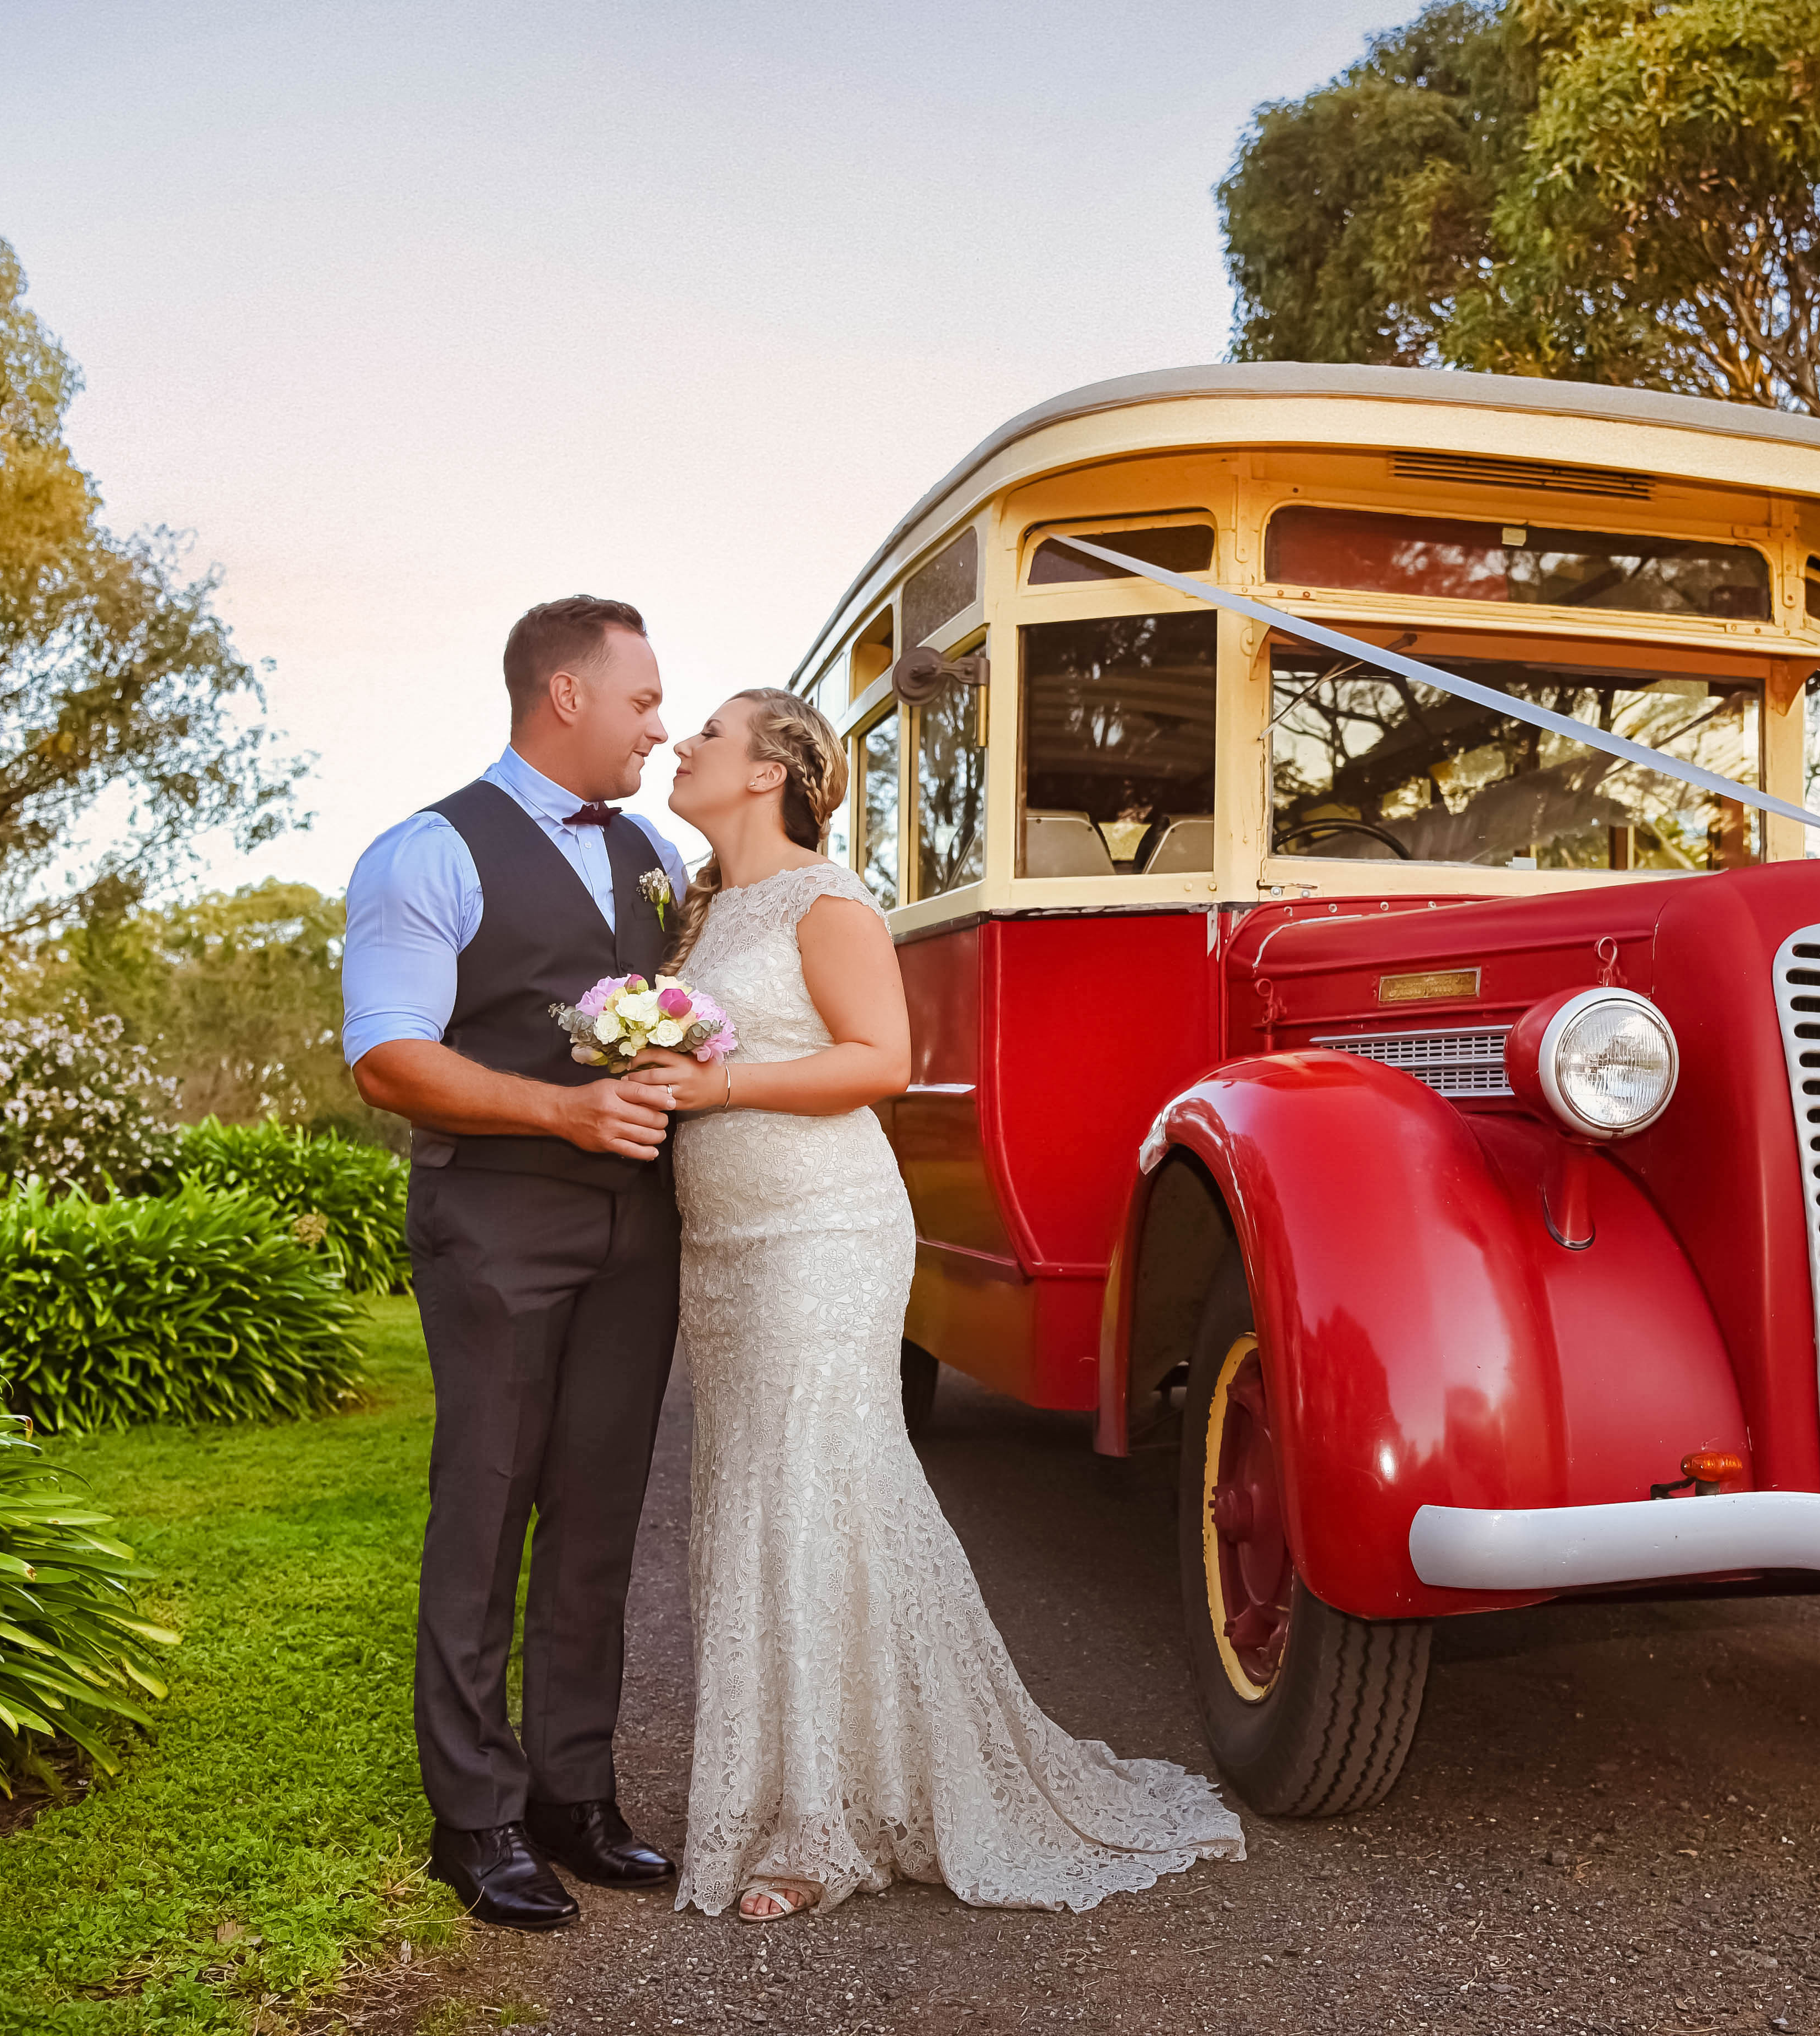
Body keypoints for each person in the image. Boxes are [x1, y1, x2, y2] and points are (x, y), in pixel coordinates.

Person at [631, 685, 1245, 1919]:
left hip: (821, 1230)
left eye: (709, 732)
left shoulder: (830, 897)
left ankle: (819, 1829)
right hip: (728, 1247)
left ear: (769, 772)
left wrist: (710, 1085)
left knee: (817, 1491)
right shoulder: (699, 909)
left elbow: (882, 1061)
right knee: (752, 1495)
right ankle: (778, 1789)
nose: (684, 745)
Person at [342, 596, 689, 1930]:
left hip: (635, 1227)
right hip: (493, 1217)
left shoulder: (654, 854)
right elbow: (386, 1055)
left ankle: (573, 1792)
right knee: (485, 1507)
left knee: (602, 1511)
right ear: (565, 697)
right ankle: (474, 1816)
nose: (660, 727)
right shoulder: (426, 852)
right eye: (644, 701)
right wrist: (557, 1108)